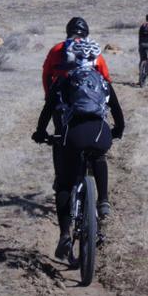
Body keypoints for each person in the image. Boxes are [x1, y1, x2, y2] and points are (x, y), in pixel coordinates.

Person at [32, 38, 125, 260]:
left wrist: (40, 133)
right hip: (100, 134)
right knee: (99, 156)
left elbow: (47, 111)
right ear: (94, 59)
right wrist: (117, 132)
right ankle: (102, 201)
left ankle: (65, 233)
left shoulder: (63, 81)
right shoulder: (102, 82)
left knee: (64, 183)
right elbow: (118, 114)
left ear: (73, 58)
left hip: (72, 136)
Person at [42, 16, 111, 95]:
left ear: (68, 31)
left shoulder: (56, 49)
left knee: (49, 106)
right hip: (91, 89)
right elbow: (105, 76)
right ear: (86, 33)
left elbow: (46, 74)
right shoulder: (92, 49)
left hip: (62, 90)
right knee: (112, 101)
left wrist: (48, 95)